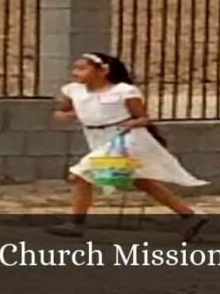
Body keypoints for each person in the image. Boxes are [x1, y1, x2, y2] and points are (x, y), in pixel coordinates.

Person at [47, 52, 209, 239]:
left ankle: (76, 223)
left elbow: (143, 117)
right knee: (140, 179)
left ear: (102, 71)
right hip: (99, 138)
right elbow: (61, 111)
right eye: (75, 68)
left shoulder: (124, 91)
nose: (76, 73)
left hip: (126, 138)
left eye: (83, 68)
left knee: (80, 174)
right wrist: (66, 115)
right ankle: (190, 215)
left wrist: (133, 123)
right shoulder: (73, 90)